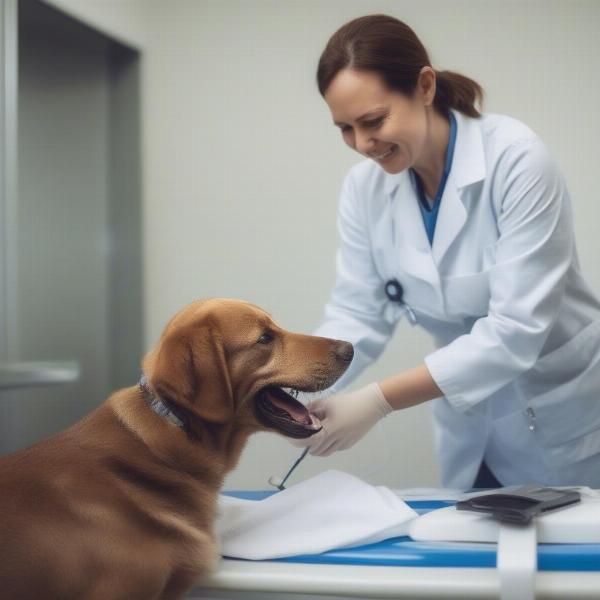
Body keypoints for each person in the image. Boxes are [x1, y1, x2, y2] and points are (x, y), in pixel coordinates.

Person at [292, 14, 600, 489]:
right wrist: (298, 387)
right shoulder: (364, 190)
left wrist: (376, 401)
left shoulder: (516, 160)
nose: (362, 144)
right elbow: (358, 314)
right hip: (470, 419)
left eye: (373, 121)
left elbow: (514, 332)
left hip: (561, 415)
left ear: (425, 86)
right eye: (345, 129)